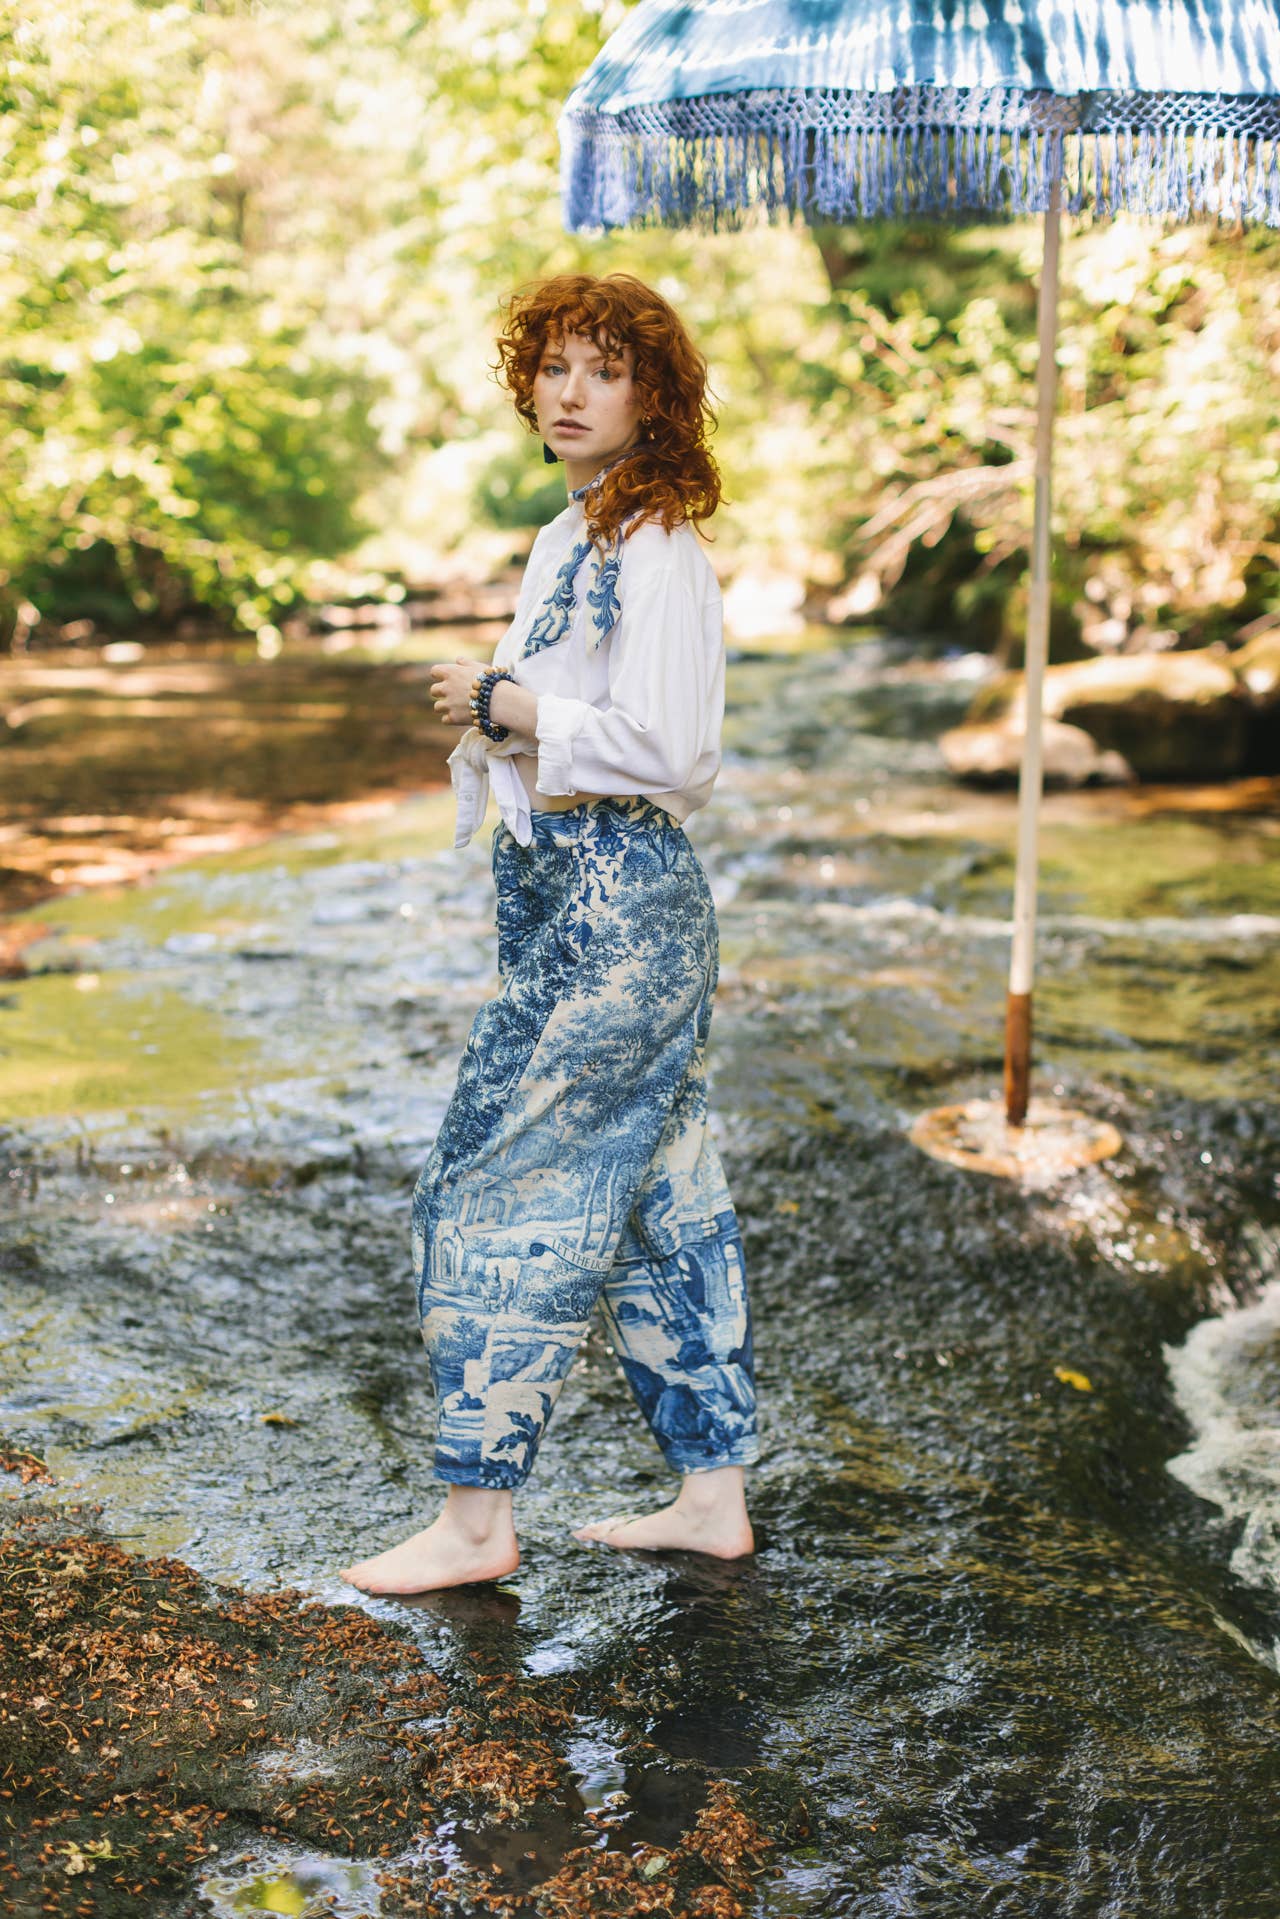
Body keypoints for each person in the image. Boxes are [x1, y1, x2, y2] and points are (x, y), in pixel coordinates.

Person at [341, 272, 758, 1597]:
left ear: (654, 399)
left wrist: (509, 705)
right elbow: (570, 727)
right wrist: (504, 720)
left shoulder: (657, 547)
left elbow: (673, 753)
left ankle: (476, 1523)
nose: (572, 392)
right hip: (561, 903)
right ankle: (712, 1500)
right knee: (659, 1197)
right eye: (555, 367)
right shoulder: (566, 535)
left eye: (606, 371)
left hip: (623, 912)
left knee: (490, 1179)